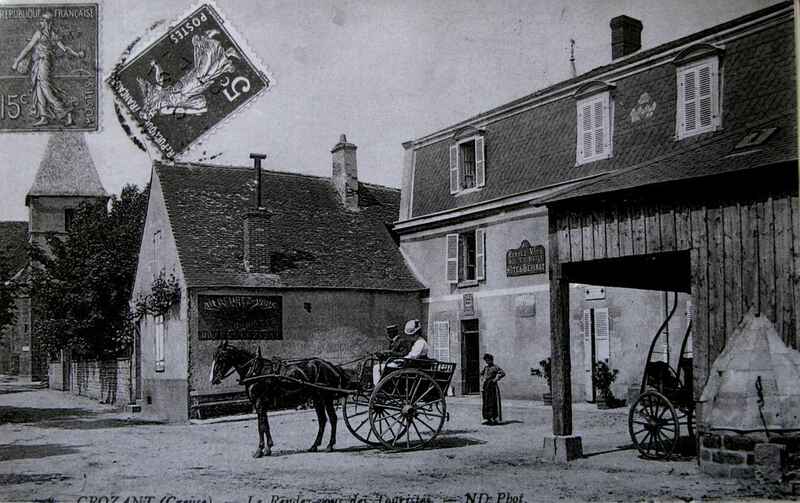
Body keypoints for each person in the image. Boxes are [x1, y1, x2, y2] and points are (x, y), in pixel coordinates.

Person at [12, 11, 85, 127]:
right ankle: (44, 116)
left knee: (46, 89)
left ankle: (65, 111)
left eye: (42, 20)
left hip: (43, 63)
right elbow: (65, 48)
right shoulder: (52, 35)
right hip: (39, 63)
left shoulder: (41, 34)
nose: (40, 22)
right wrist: (77, 54)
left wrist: (17, 61)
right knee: (39, 89)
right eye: (41, 20)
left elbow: (28, 48)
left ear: (47, 22)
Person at [372, 319, 427, 385]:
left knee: (377, 367)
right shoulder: (418, 342)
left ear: (417, 334)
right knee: (381, 367)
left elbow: (413, 356)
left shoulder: (420, 343)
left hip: (413, 366)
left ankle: (378, 387)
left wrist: (402, 360)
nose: (410, 337)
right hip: (410, 364)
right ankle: (381, 386)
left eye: (412, 335)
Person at [481, 353, 505, 425]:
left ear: (491, 360)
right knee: (486, 402)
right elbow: (481, 374)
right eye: (486, 360)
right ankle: (486, 418)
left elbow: (502, 373)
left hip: (492, 386)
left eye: (488, 360)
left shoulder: (495, 367)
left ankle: (493, 418)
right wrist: (483, 379)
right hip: (486, 386)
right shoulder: (485, 368)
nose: (487, 362)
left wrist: (496, 379)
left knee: (492, 402)